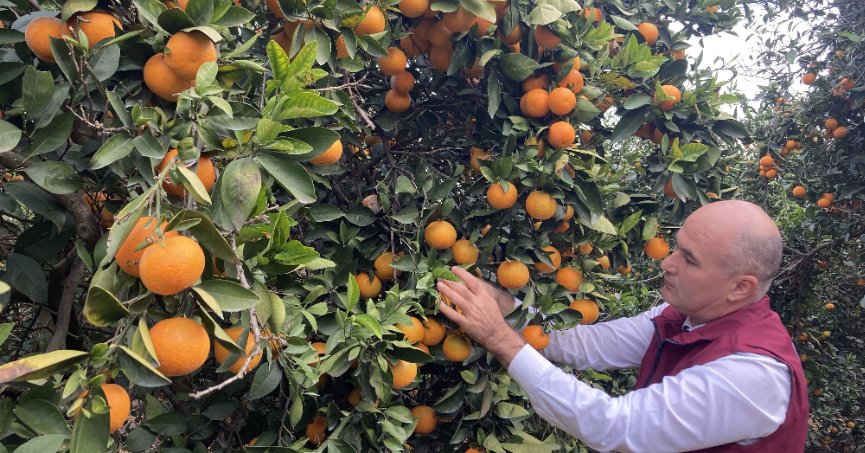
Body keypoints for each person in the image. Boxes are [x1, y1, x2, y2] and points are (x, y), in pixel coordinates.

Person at [436, 200, 809, 452]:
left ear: (740, 287)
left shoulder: (754, 373)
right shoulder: (681, 317)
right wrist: (503, 305)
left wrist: (501, 339)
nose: (667, 263)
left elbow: (616, 426)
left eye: (689, 260)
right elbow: (579, 344)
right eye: (676, 247)